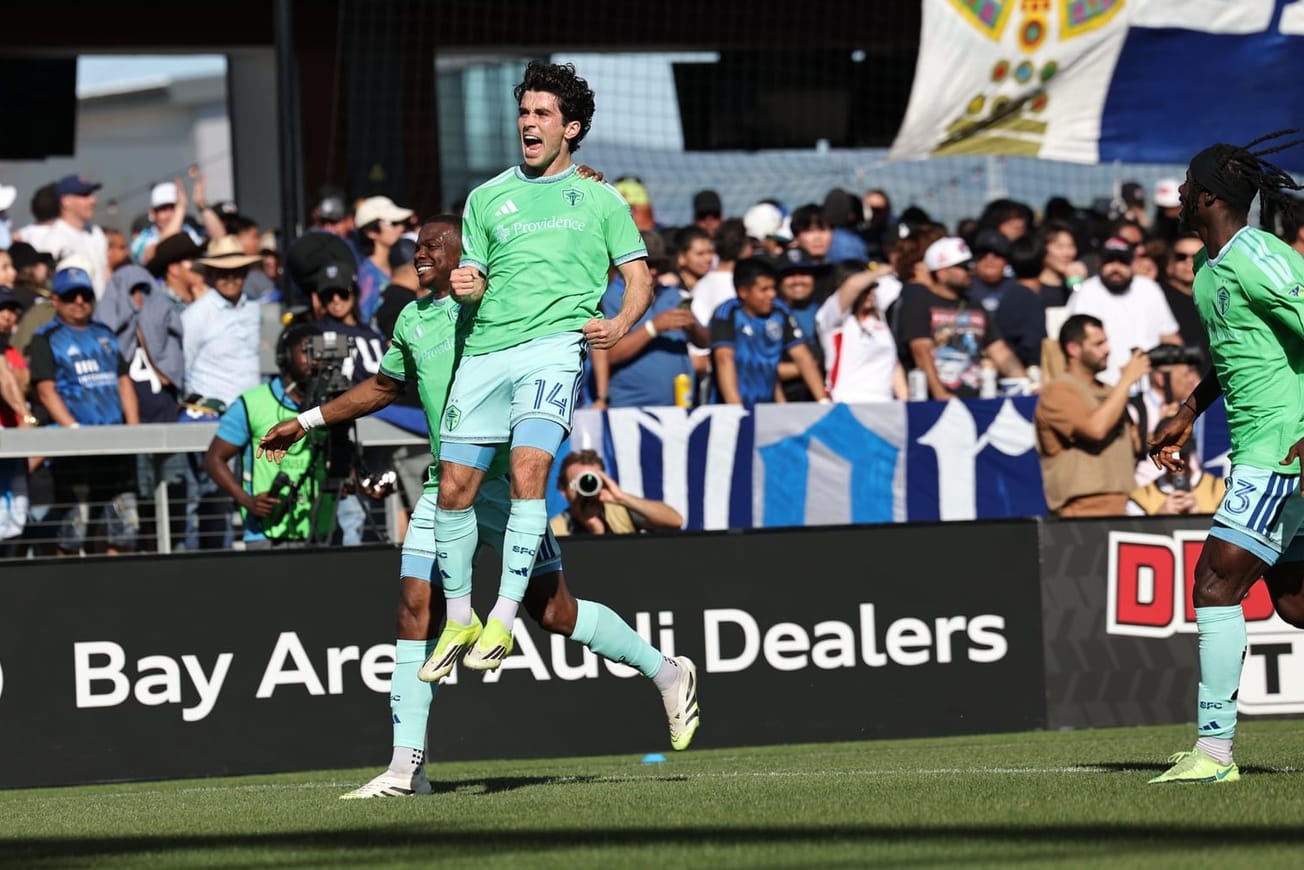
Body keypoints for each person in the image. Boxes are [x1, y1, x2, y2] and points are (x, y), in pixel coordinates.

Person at [258, 215, 699, 798]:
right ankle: (404, 770)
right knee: (414, 610)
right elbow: (384, 389)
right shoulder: (412, 321)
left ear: (467, 254)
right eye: (417, 249)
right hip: (447, 487)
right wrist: (306, 421)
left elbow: (551, 243)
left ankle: (667, 672)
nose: (421, 255)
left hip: (506, 489)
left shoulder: (499, 309)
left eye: (434, 247)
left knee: (555, 614)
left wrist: (587, 185)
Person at [428, 61, 685, 699]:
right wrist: (467, 284)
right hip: (485, 354)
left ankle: (501, 618)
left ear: (570, 128)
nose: (528, 124)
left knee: (528, 472)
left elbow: (639, 279)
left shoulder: (601, 199)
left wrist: (621, 323)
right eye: (524, 113)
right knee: (453, 487)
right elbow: (480, 277)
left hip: (551, 351)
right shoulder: (486, 197)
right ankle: (461, 621)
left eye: (542, 114)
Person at [1146, 130, 1304, 784]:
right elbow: (1240, 353)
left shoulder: (1256, 255)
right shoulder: (1210, 270)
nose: (1178, 194)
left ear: (1208, 196)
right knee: (1295, 604)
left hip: (1281, 450)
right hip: (1264, 447)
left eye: (1186, 185)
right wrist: (1187, 410)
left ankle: (1213, 755)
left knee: (1214, 586)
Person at [28, 266, 141, 555]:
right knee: (73, 528)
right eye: (70, 296)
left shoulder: (105, 334)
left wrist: (135, 431)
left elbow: (123, 382)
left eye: (85, 295)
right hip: (73, 452)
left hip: (116, 447)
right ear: (55, 300)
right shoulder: (46, 337)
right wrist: (73, 431)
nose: (79, 301)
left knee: (124, 526)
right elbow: (45, 390)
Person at [205, 322, 336, 548]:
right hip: (266, 534)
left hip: (321, 533)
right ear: (285, 357)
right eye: (307, 350)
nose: (315, 359)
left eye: (321, 351)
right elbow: (213, 459)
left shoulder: (333, 405)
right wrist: (247, 501)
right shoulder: (251, 403)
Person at [1035, 314, 1151, 517]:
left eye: (1106, 342)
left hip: (1127, 505)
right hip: (1083, 511)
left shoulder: (1110, 391)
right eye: (1098, 344)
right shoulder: (1058, 391)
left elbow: (1136, 447)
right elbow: (1095, 430)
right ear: (1073, 349)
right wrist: (1126, 381)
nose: (1107, 349)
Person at [710, 256, 828, 408]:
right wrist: (736, 411)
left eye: (773, 288)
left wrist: (823, 402)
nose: (771, 294)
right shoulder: (727, 313)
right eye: (764, 290)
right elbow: (724, 359)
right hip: (730, 407)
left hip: (767, 408)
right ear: (743, 292)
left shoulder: (780, 311)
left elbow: (803, 357)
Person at [549, 448, 683, 536]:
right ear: (564, 490)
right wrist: (595, 528)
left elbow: (675, 521)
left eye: (593, 481)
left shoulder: (621, 512)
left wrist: (622, 498)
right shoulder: (556, 531)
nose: (587, 487)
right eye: (581, 483)